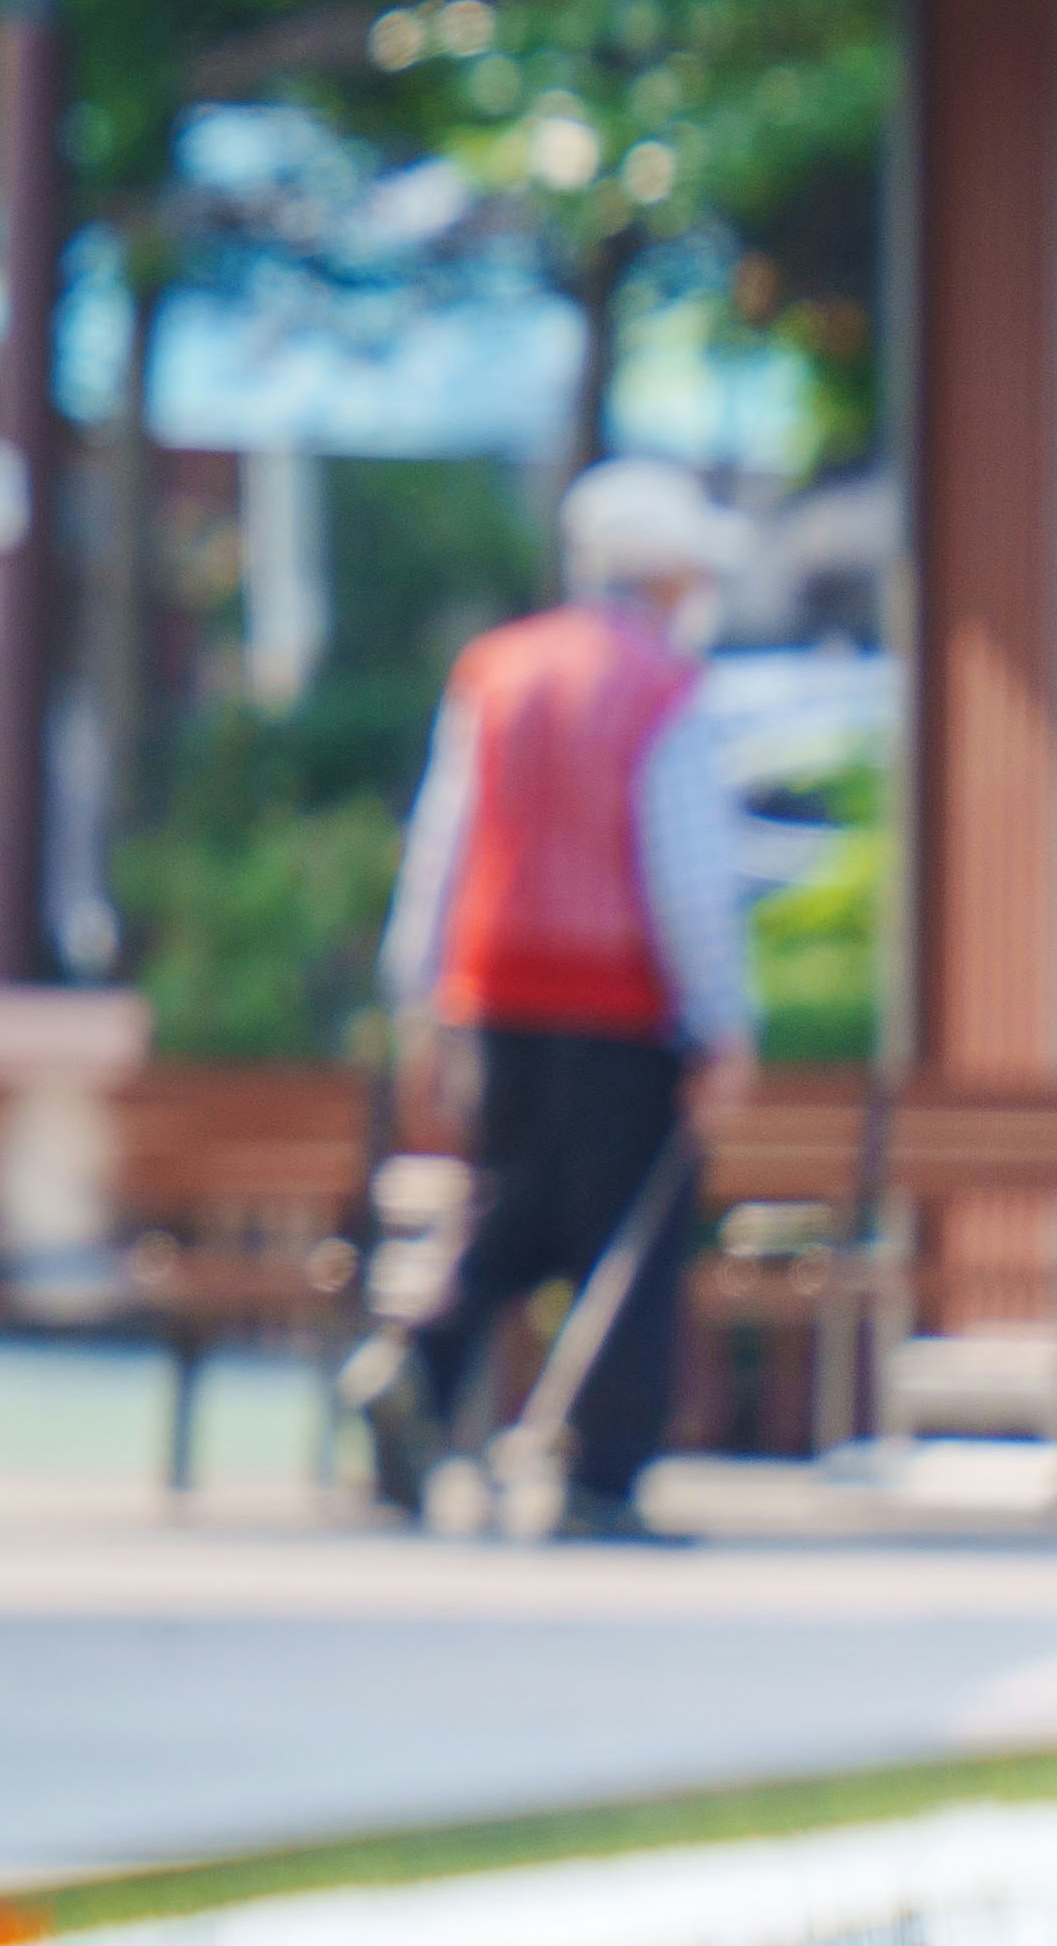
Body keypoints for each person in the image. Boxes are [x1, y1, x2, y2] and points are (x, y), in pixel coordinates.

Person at [347, 456, 757, 1539]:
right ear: (662, 574)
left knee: (513, 1212)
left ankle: (418, 1367)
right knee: (631, 1240)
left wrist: (420, 1000)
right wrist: (721, 1019)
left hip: (494, 996)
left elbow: (441, 849)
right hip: (620, 1007)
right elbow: (688, 878)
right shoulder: (664, 688)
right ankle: (594, 1473)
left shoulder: (497, 671)